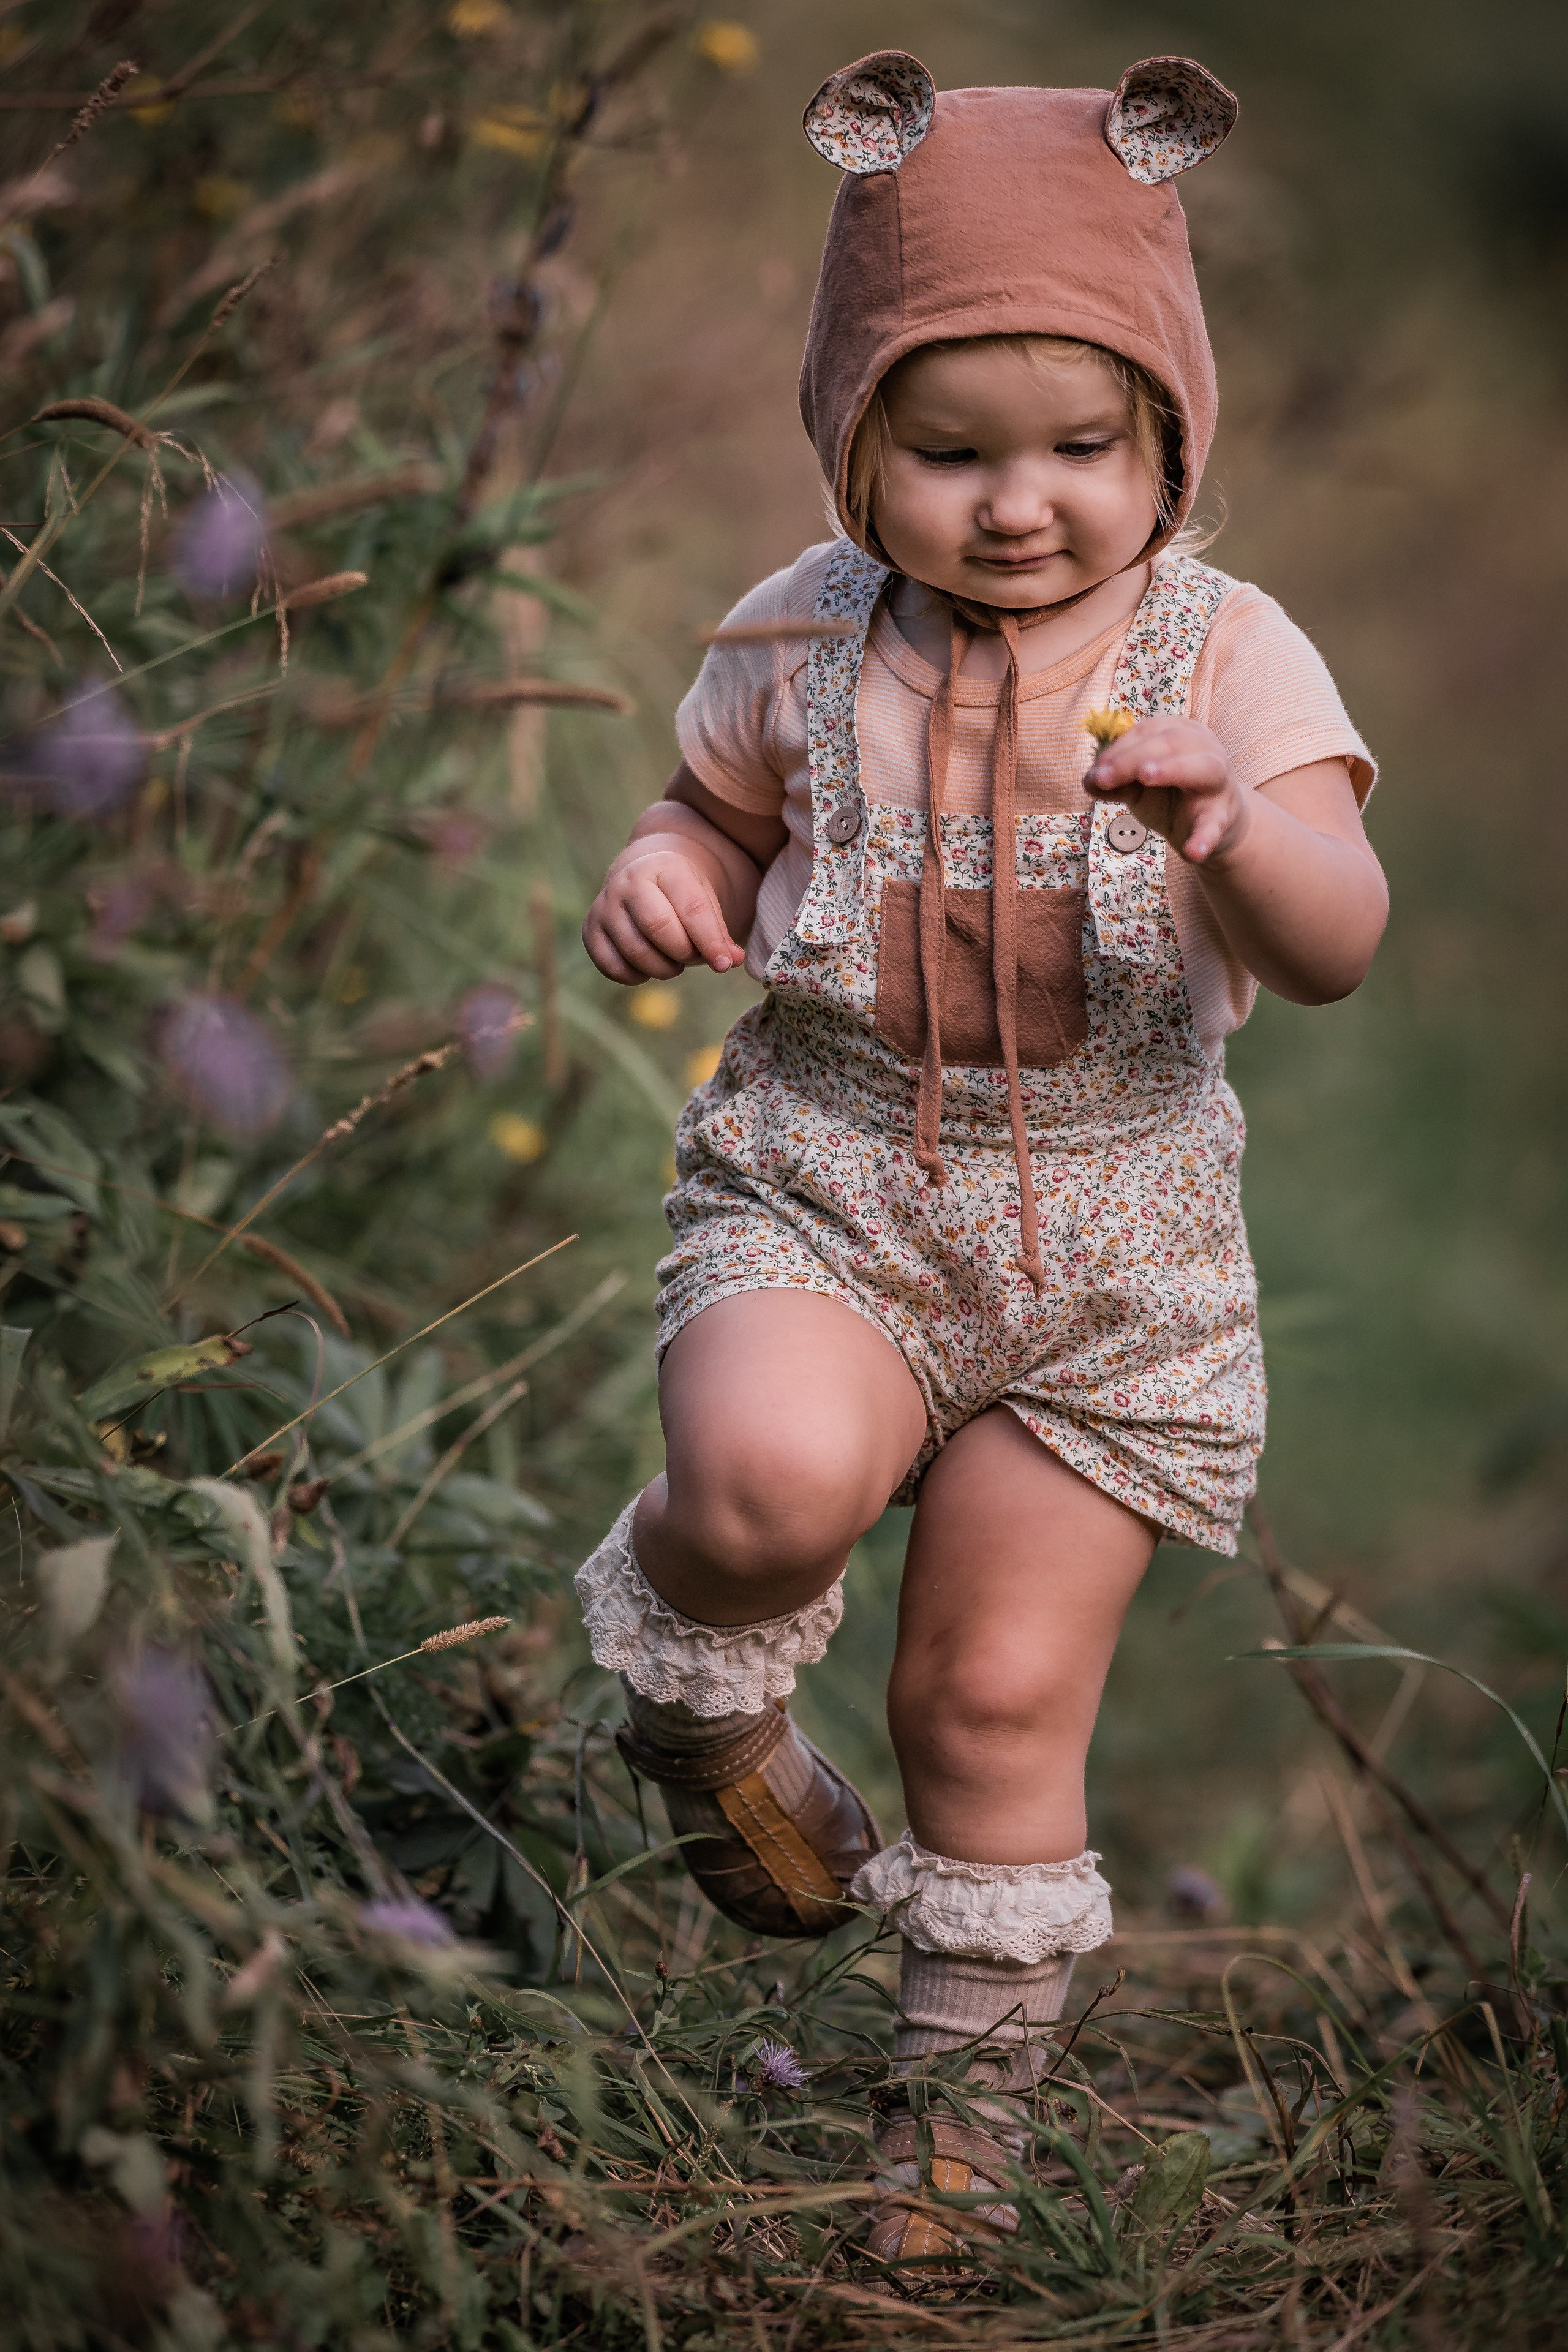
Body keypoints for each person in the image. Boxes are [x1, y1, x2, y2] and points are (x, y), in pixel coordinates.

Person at [577, 50, 1386, 2263]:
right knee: (759, 1490)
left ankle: (957, 2137)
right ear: (858, 446)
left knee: (993, 1693)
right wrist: (659, 877)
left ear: (1167, 439)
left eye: (1080, 447)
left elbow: (1335, 944)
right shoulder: (801, 635)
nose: (1015, 502)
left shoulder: (1229, 652)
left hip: (1114, 1229)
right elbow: (708, 816)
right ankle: (700, 1695)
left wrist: (1245, 825)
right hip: (833, 1172)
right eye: (945, 452)